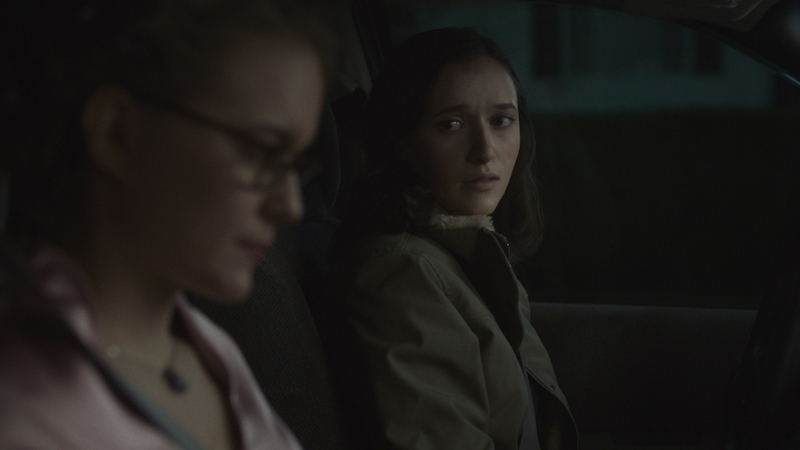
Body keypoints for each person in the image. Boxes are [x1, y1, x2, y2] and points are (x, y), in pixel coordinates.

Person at [0, 1, 332, 448]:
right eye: (261, 152)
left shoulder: (209, 347)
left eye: (294, 164)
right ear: (118, 133)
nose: (290, 206)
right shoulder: (26, 411)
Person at [324, 27, 578, 449]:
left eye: (501, 120)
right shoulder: (399, 273)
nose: (485, 150)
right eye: (452, 125)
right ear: (403, 141)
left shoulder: (465, 253)